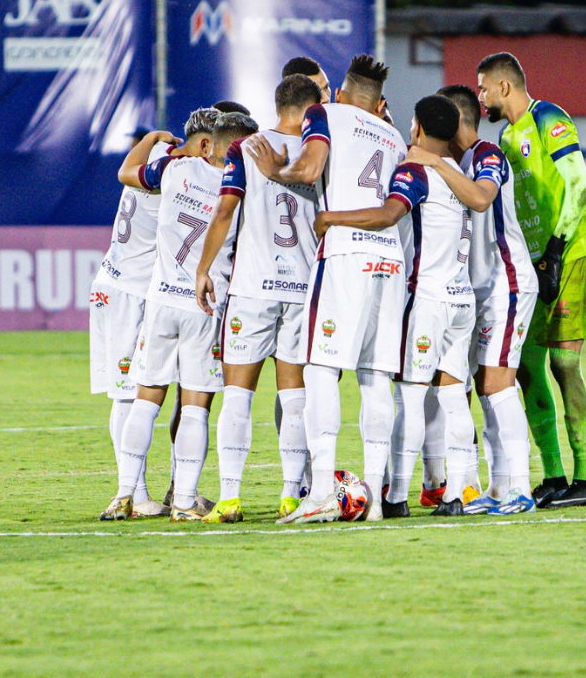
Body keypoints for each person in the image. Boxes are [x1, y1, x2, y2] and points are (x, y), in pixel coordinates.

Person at [248, 54, 406, 524]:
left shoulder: (324, 113)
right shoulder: (394, 136)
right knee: (376, 378)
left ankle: (319, 492)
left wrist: (278, 172)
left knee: (320, 370)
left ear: (339, 91)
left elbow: (312, 170)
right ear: (377, 102)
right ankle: (374, 499)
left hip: (345, 256)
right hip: (390, 259)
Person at [315, 95, 476, 518]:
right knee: (455, 396)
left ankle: (397, 495)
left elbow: (390, 213)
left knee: (409, 396)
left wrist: (332, 218)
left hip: (428, 301)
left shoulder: (416, 170)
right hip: (463, 300)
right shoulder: (459, 172)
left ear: (419, 128)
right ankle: (455, 494)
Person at [104, 112, 258, 522]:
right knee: (195, 407)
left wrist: (155, 140)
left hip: (159, 300)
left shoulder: (174, 167)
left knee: (146, 400)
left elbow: (132, 174)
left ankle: (124, 496)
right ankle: (185, 502)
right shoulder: (241, 188)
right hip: (204, 305)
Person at [193, 75, 323, 523]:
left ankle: (230, 498)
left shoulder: (245, 149)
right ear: (310, 108)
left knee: (238, 394)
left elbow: (226, 209)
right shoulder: (320, 155)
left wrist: (204, 268)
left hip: (253, 287)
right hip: (302, 288)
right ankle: (290, 496)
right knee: (294, 396)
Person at [476, 52, 586, 508]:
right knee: (527, 365)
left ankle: (584, 479)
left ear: (504, 87)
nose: (481, 96)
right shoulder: (506, 137)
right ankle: (553, 474)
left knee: (563, 365)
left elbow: (579, 183)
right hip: (532, 267)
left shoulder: (547, 117)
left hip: (572, 253)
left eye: (483, 88)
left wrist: (554, 248)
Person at [405, 85, 538, 515]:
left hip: (506, 283)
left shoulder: (487, 155)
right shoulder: (452, 163)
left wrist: (432, 162)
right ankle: (487, 487)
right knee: (475, 388)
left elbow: (481, 199)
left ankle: (519, 487)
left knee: (498, 385)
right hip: (472, 290)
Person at [91, 126, 188, 520]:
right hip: (131, 290)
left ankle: (136, 492)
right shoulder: (174, 173)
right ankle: (134, 493)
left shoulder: (148, 162)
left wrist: (149, 139)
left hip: (112, 282)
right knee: (129, 394)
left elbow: (129, 165)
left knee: (127, 391)